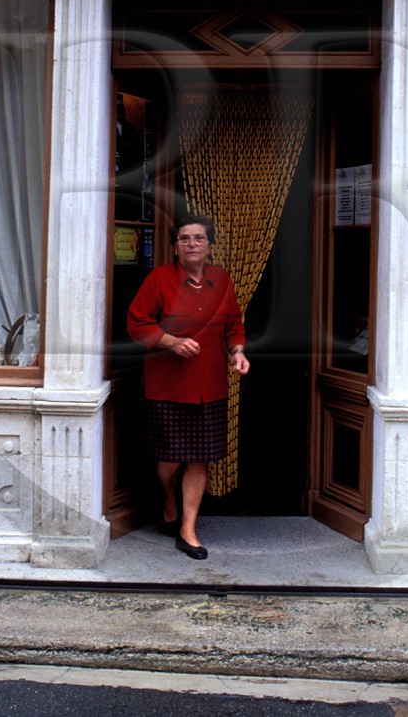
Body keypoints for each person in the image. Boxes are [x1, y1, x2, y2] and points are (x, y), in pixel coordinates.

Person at [125, 214, 251, 560]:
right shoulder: (160, 279)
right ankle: (168, 498)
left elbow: (234, 325)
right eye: (184, 238)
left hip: (210, 385)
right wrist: (170, 342)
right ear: (175, 246)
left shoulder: (222, 280)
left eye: (198, 238)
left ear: (209, 245)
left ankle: (187, 529)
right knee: (169, 458)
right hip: (167, 384)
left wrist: (238, 353)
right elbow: (137, 323)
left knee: (200, 459)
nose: (192, 243)